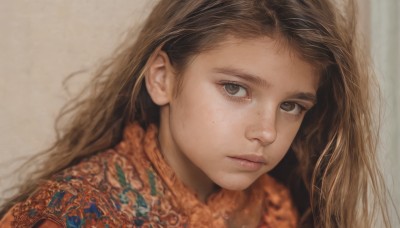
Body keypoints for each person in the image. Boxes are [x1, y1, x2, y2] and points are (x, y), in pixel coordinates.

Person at [0, 0, 391, 227]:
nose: (267, 132)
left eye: (291, 105)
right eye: (235, 89)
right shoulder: (75, 212)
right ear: (162, 79)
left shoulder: (275, 209)